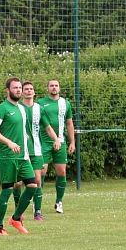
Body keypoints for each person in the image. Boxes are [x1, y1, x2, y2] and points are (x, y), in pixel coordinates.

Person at [0, 77, 37, 235]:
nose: (18, 90)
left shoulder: (22, 108)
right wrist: (9, 142)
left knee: (32, 186)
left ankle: (16, 219)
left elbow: (23, 132)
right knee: (7, 189)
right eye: (15, 88)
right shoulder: (2, 108)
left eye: (19, 88)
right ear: (7, 90)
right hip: (7, 156)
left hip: (23, 156)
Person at [36, 79, 75, 214]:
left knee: (62, 172)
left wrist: (72, 142)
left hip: (61, 142)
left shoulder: (65, 103)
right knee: (41, 172)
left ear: (59, 88)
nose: (54, 87)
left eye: (56, 85)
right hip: (43, 142)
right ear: (47, 88)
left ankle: (59, 202)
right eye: (51, 85)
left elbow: (69, 123)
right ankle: (37, 202)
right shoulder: (40, 103)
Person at [22, 81, 59, 220]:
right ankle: (19, 210)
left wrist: (56, 139)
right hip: (21, 150)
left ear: (34, 92)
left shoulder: (39, 109)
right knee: (18, 183)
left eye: (31, 89)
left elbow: (48, 127)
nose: (28, 91)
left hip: (36, 150)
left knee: (37, 180)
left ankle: (37, 211)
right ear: (22, 92)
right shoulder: (18, 107)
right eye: (26, 89)